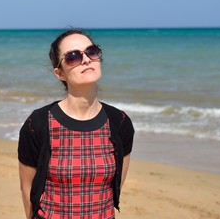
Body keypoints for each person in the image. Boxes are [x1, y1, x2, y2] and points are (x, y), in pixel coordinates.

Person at [18, 29, 134, 219]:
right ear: (60, 73)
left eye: (92, 51)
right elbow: (27, 187)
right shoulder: (38, 123)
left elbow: (116, 187)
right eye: (73, 57)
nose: (87, 59)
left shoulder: (119, 122)